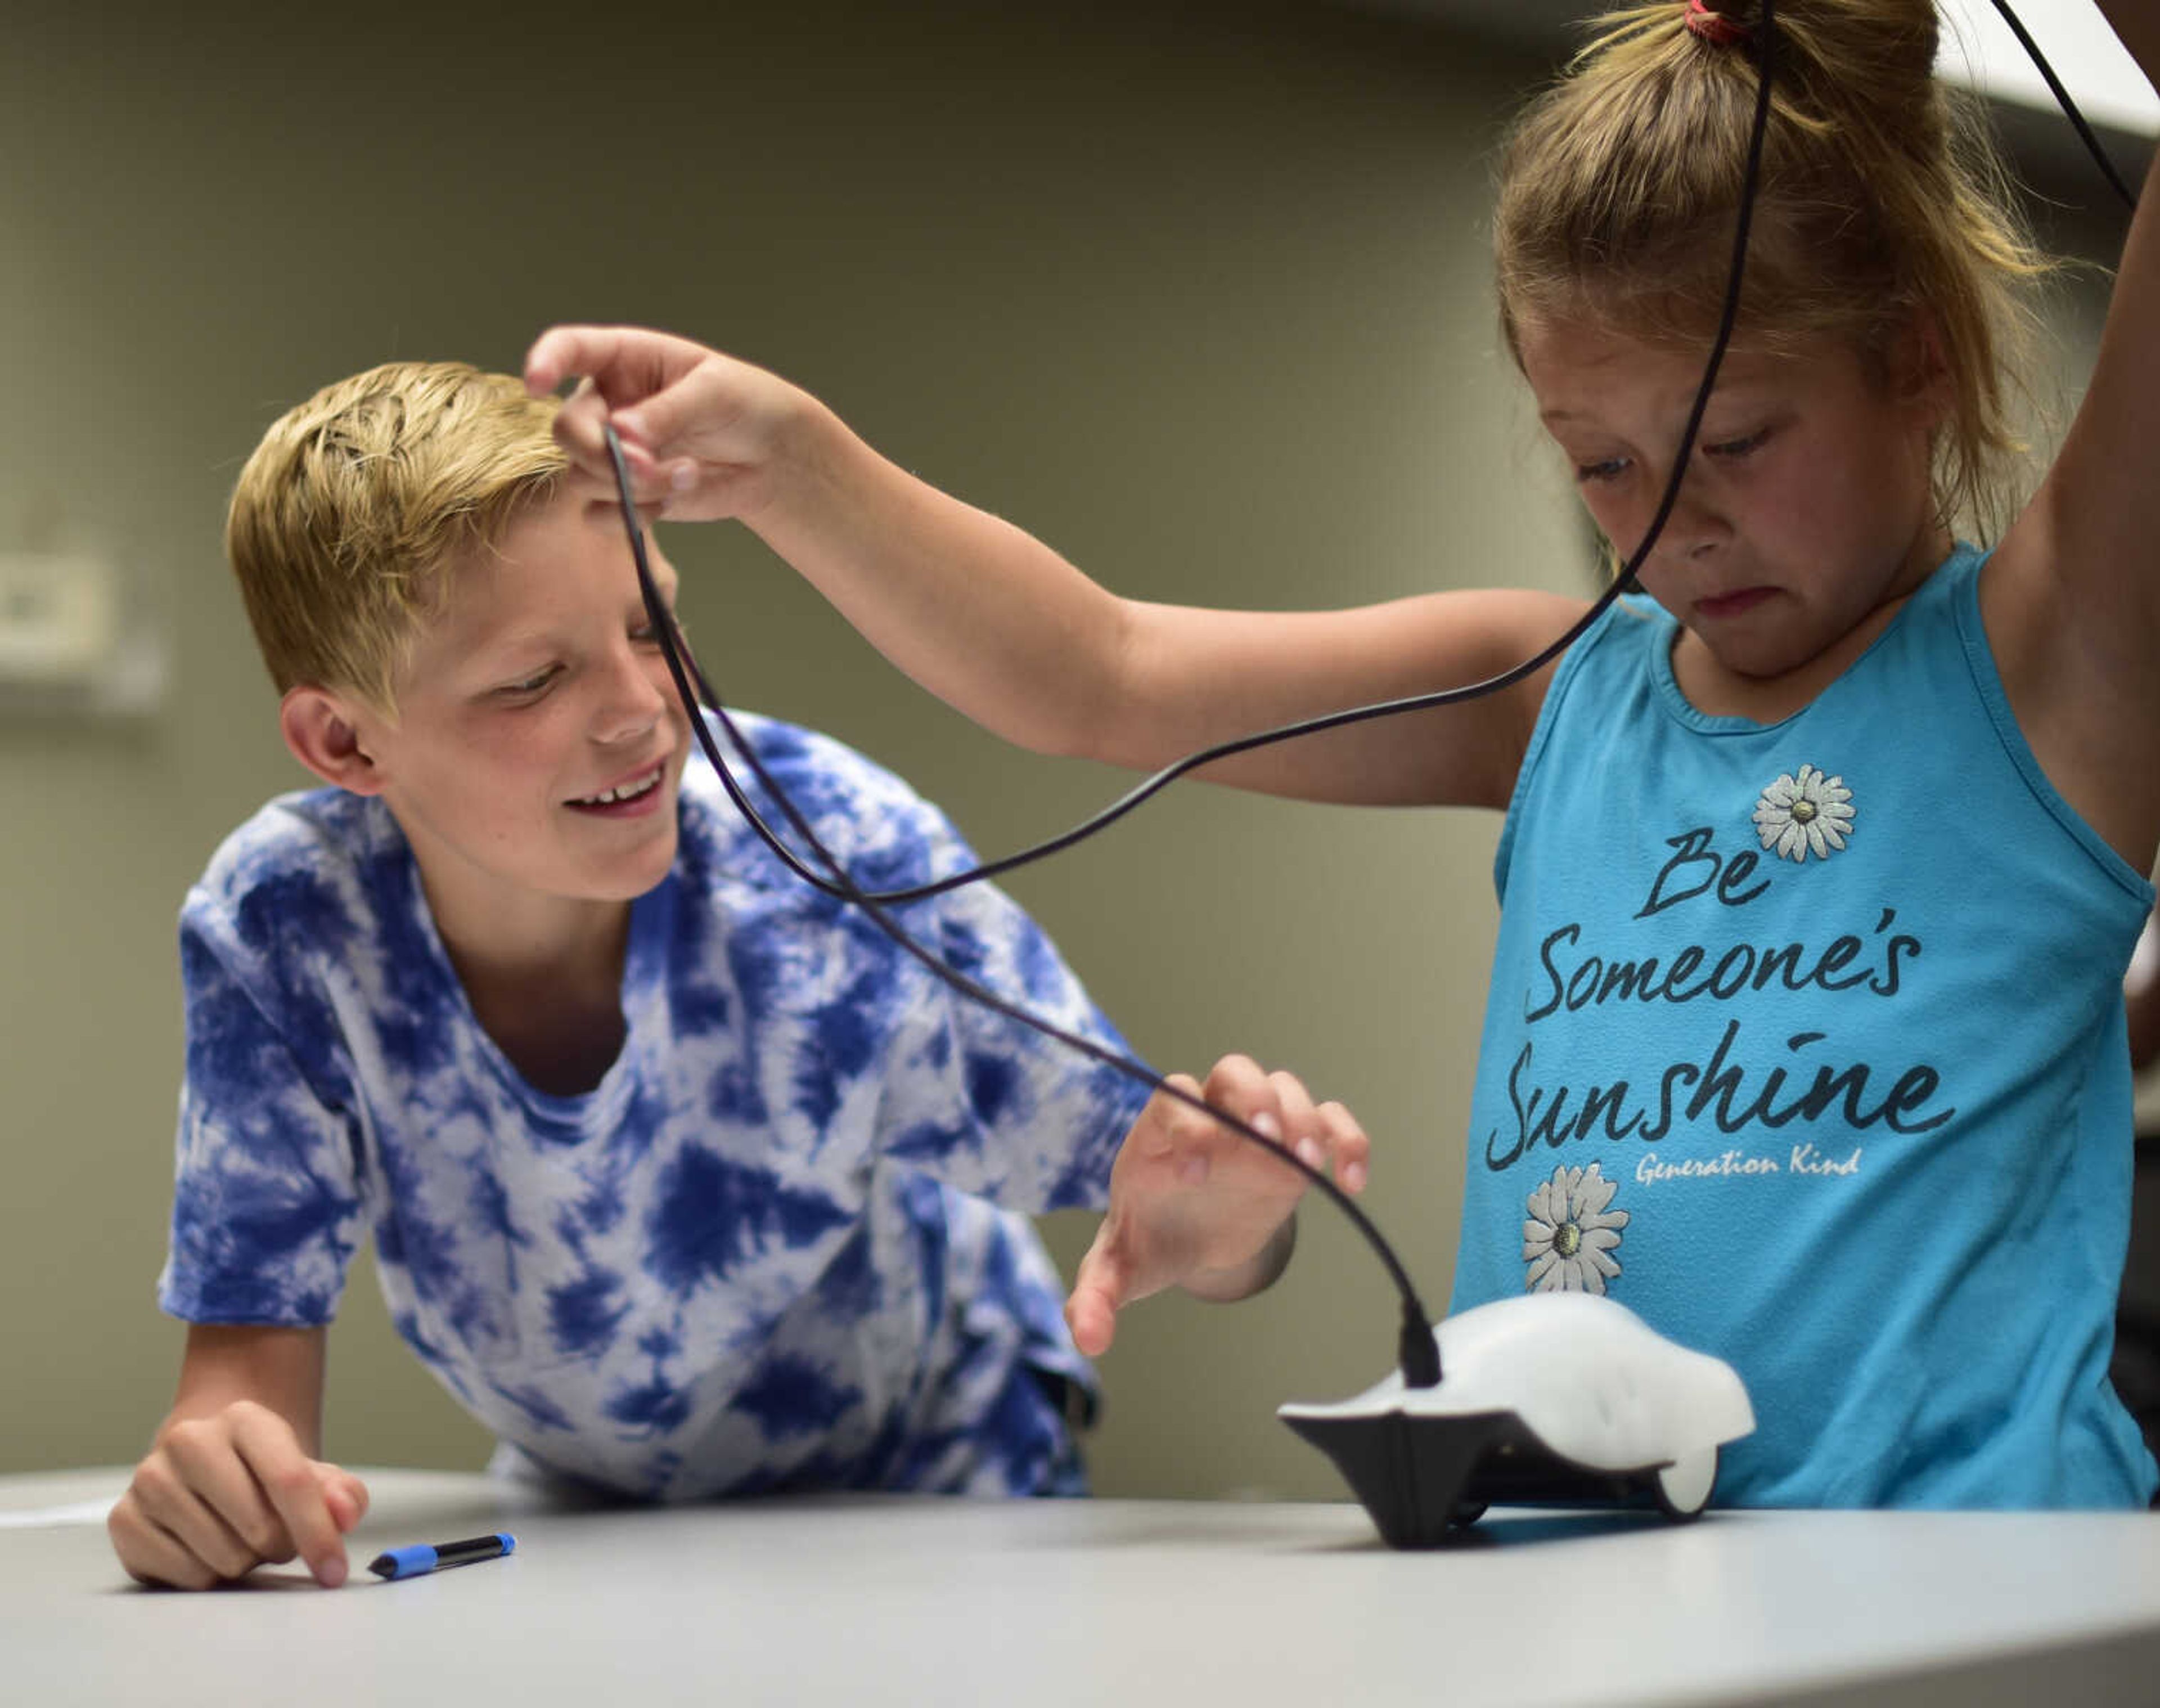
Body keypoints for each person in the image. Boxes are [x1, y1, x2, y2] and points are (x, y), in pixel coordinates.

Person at [521, 0, 2160, 1508]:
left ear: (1916, 362)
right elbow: (1105, 670)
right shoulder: (1554, 691)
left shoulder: (2056, 661)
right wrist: (797, 467)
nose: (1677, 520)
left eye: (1736, 440)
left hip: (1967, 1593)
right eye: (1601, 463)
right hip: (1589, 1593)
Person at [106, 360, 1370, 1591]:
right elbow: (242, 1396)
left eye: (654, 623)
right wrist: (222, 1486)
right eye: (536, 678)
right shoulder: (285, 925)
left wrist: (1231, 1230)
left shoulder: (826, 849)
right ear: (344, 740)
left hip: (932, 1466)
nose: (644, 711)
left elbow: (1167, 1201)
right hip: (598, 1505)